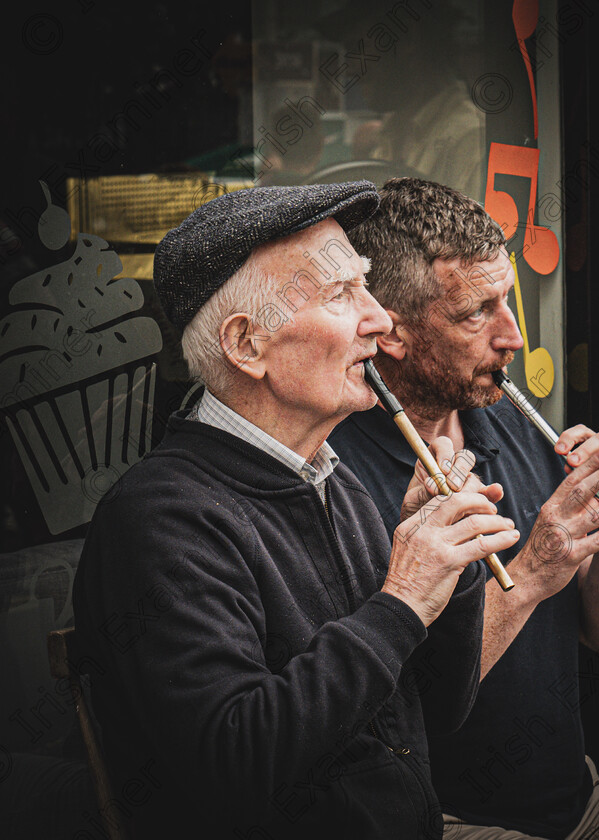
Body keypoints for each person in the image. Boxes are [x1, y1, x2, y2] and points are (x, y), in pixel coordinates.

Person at [73, 181, 522, 840]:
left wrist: (450, 579)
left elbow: (438, 714)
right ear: (246, 344)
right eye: (342, 294)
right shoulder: (160, 519)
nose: (379, 319)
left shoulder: (334, 486)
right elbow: (233, 764)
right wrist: (400, 599)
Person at [329, 177, 599, 839]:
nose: (512, 336)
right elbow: (395, 715)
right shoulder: (340, 477)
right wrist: (535, 569)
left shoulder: (511, 426)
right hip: (439, 820)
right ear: (391, 334)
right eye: (476, 313)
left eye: (508, 301)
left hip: (581, 802)